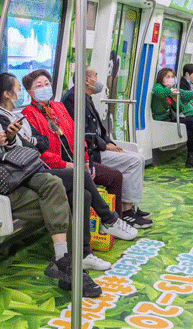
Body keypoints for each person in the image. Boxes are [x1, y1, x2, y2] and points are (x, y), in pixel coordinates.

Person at [0, 67, 102, 297]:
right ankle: (70, 264)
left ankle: (65, 262)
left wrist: (8, 137)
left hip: (6, 178)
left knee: (57, 188)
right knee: (62, 194)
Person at [0, 72, 114, 271]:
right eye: (20, 89)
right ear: (9, 94)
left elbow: (45, 141)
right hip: (28, 171)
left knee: (83, 194)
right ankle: (108, 220)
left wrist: (83, 157)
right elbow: (31, 146)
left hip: (39, 165)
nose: (45, 88)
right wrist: (39, 147)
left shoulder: (42, 111)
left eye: (47, 83)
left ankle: (84, 252)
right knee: (80, 176)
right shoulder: (8, 117)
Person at [20, 69, 139, 242]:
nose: (44, 88)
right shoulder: (28, 114)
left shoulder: (59, 107)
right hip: (56, 167)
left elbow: (76, 134)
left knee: (114, 176)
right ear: (30, 92)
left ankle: (115, 224)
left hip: (75, 162)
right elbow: (40, 152)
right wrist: (66, 165)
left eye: (46, 84)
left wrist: (85, 160)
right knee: (84, 193)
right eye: (39, 86)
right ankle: (103, 228)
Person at [62, 66, 153, 229]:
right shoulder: (73, 99)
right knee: (134, 161)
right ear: (86, 80)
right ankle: (126, 212)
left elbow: (98, 129)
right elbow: (83, 132)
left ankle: (129, 206)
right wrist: (104, 146)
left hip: (97, 147)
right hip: (91, 152)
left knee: (137, 156)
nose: (98, 80)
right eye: (95, 76)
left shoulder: (85, 98)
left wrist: (109, 143)